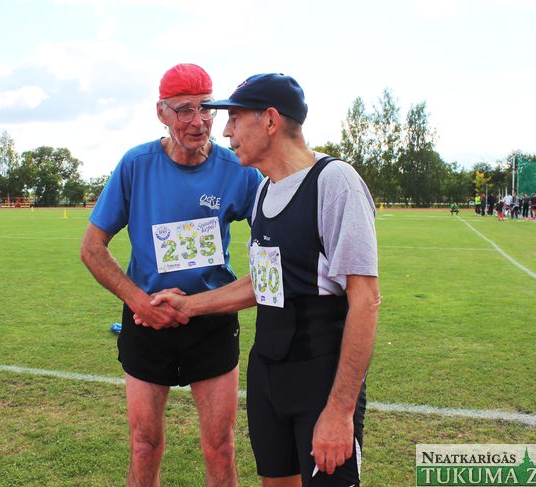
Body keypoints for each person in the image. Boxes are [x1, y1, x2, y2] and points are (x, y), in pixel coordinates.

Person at [142, 73, 379, 486]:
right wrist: (188, 305)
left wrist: (340, 411)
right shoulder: (265, 191)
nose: (226, 131)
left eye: (235, 118)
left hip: (319, 379)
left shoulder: (334, 182)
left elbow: (366, 300)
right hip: (268, 376)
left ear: (270, 120)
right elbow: (263, 283)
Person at [80, 63, 262, 487]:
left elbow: (276, 243)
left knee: (220, 447)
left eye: (206, 109)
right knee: (144, 445)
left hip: (211, 323)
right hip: (147, 321)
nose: (198, 122)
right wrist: (139, 301)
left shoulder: (238, 170)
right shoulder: (136, 165)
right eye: (184, 110)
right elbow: (91, 248)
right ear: (161, 112)